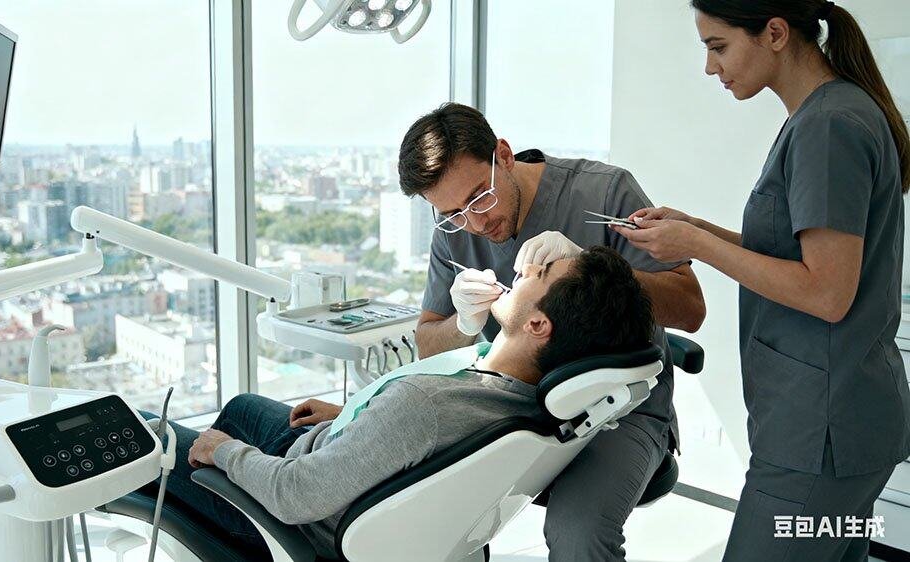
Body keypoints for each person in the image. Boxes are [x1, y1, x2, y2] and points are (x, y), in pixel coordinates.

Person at [612, 1, 910, 560]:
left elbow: (825, 292)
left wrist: (696, 246)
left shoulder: (828, 127)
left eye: (717, 46)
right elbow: (792, 253)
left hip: (818, 440)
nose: (709, 67)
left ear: (775, 33)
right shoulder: (829, 114)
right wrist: (694, 227)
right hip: (841, 428)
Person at [147, 247, 656, 560]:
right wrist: (357, 413)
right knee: (240, 406)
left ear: (538, 326)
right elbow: (412, 414)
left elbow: (295, 495)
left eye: (539, 273)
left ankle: (222, 525)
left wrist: (225, 455)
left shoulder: (425, 407)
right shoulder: (518, 395)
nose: (523, 267)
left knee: (145, 436)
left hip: (295, 511)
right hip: (344, 455)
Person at [396, 102, 706, 560]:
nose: (476, 223)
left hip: (616, 411)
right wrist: (463, 322)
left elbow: (690, 306)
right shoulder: (456, 229)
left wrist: (592, 267)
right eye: (455, 212)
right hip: (510, 408)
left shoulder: (604, 192)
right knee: (427, 513)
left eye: (480, 197)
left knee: (576, 534)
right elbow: (428, 344)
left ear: (503, 154)